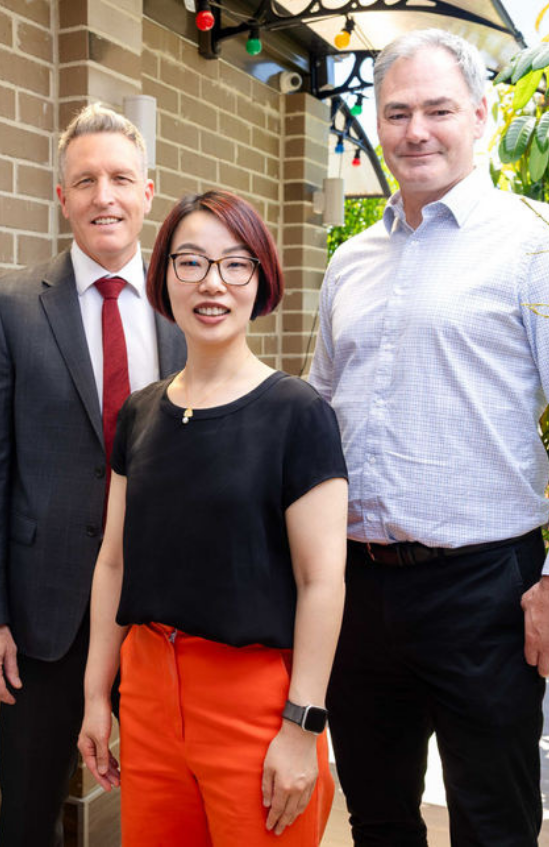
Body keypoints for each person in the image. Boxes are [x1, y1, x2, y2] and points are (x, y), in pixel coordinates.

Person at [310, 29, 549, 846]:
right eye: (397, 113)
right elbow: (320, 413)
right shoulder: (351, 259)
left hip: (485, 593)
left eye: (438, 109)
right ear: (375, 126)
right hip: (358, 590)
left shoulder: (541, 241)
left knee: (493, 823)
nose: (416, 130)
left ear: (482, 115)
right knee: (379, 817)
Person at [77, 191, 348, 846]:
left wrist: (301, 725)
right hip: (146, 694)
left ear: (261, 279)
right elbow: (113, 560)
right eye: (191, 262)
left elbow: (323, 582)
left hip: (254, 705)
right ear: (164, 277)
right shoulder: (139, 415)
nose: (212, 284)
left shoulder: (297, 412)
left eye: (235, 265)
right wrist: (95, 694)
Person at [0, 103, 187, 847]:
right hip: (44, 617)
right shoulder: (9, 308)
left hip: (162, 610)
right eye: (85, 180)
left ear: (149, 192)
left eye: (120, 177)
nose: (103, 196)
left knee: (166, 801)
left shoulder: (191, 305)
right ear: (62, 198)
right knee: (27, 813)